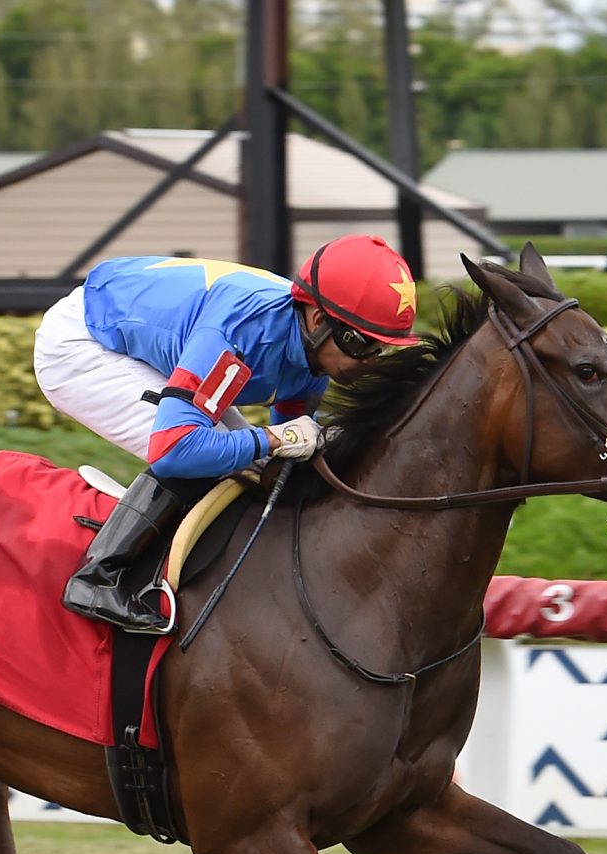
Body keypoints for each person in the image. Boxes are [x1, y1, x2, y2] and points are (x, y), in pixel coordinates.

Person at [35, 234, 422, 633]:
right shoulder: (245, 333)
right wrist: (275, 439)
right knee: (208, 456)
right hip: (81, 346)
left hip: (149, 331)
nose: (368, 362)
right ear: (318, 320)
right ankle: (96, 578)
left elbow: (289, 442)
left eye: (381, 349)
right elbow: (176, 448)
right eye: (360, 344)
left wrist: (288, 444)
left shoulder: (311, 348)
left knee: (251, 458)